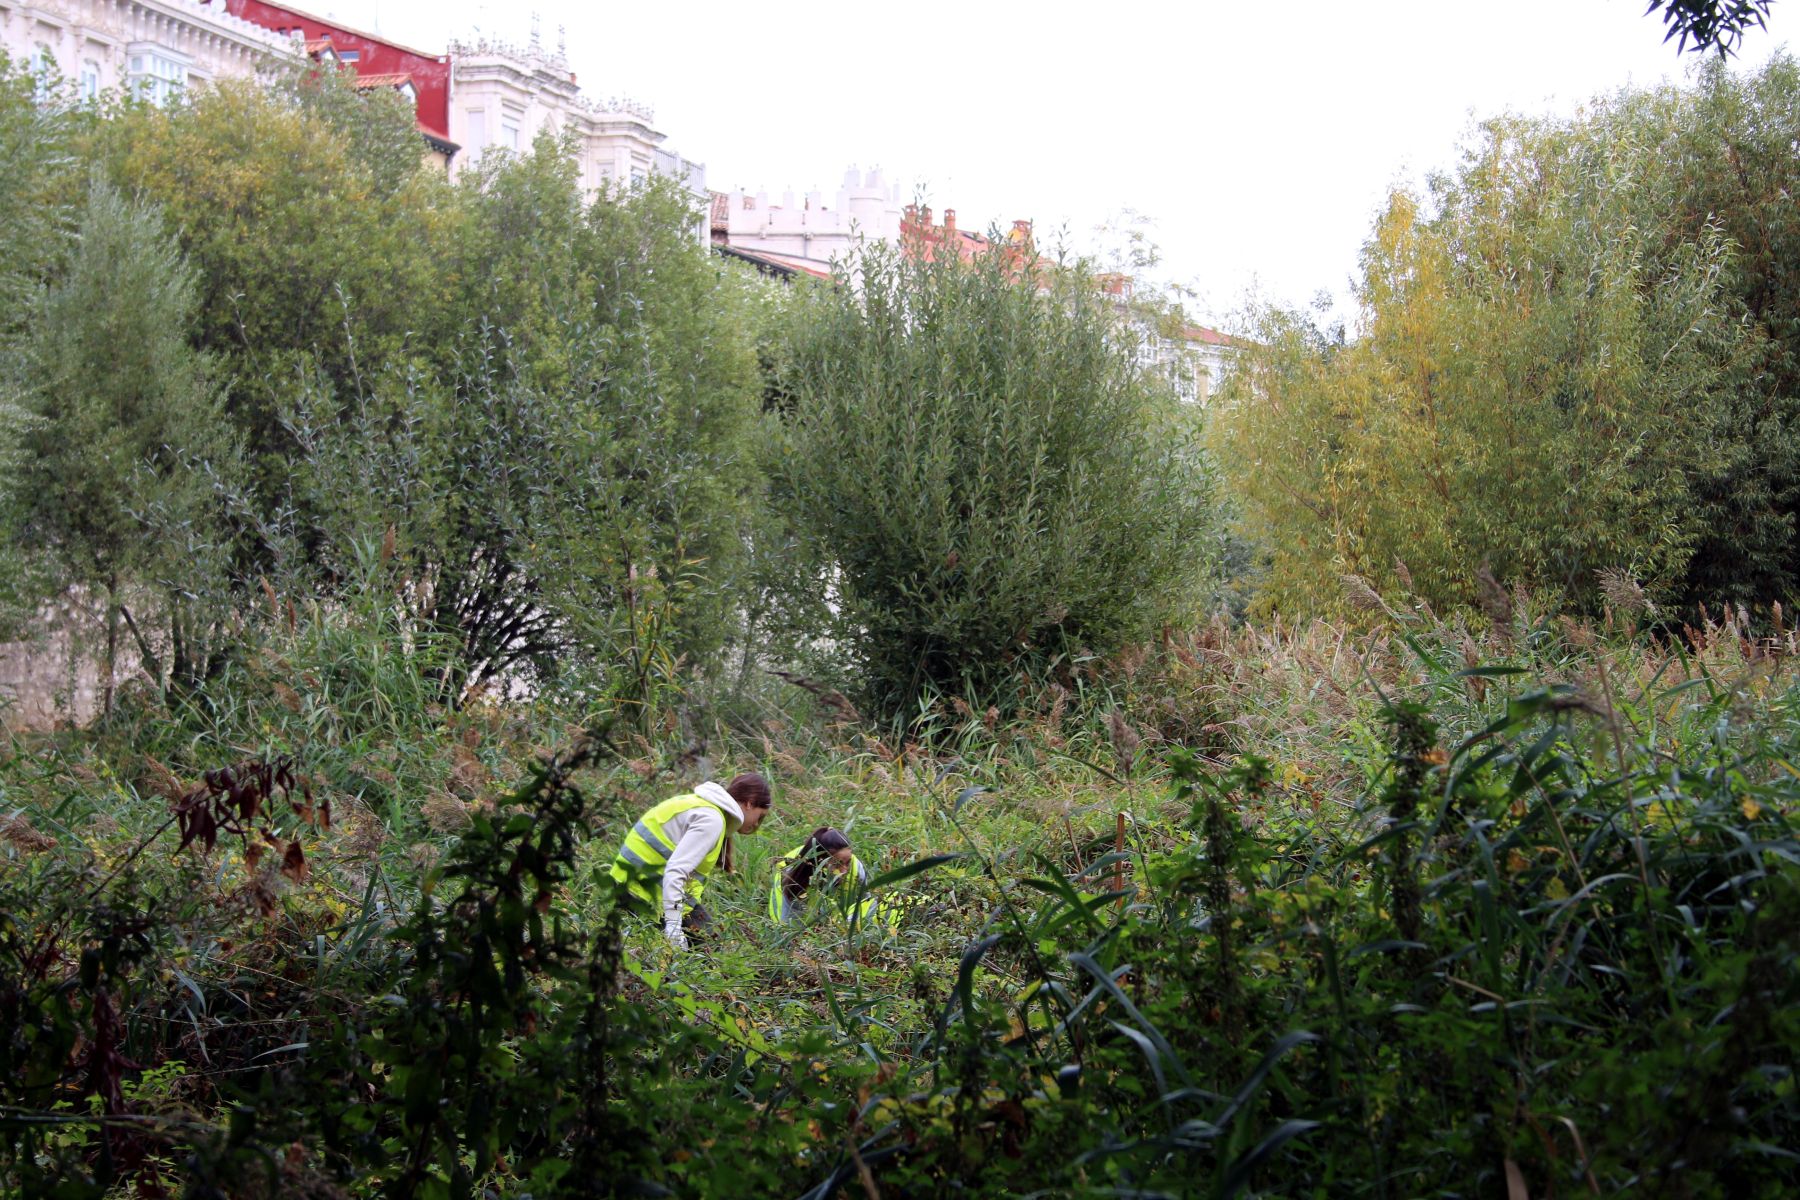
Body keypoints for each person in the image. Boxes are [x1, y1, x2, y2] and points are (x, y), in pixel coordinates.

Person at [611, 772, 771, 949]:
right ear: (749, 803)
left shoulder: (703, 807)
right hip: (641, 893)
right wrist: (673, 928)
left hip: (630, 885)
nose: (757, 824)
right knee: (709, 952)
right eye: (760, 816)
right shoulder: (712, 820)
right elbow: (676, 871)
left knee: (709, 946)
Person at [767, 826, 883, 927]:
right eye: (837, 864)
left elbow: (866, 905)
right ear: (820, 862)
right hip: (788, 915)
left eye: (847, 862)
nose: (844, 870)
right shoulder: (795, 877)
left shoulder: (856, 867)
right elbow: (791, 927)